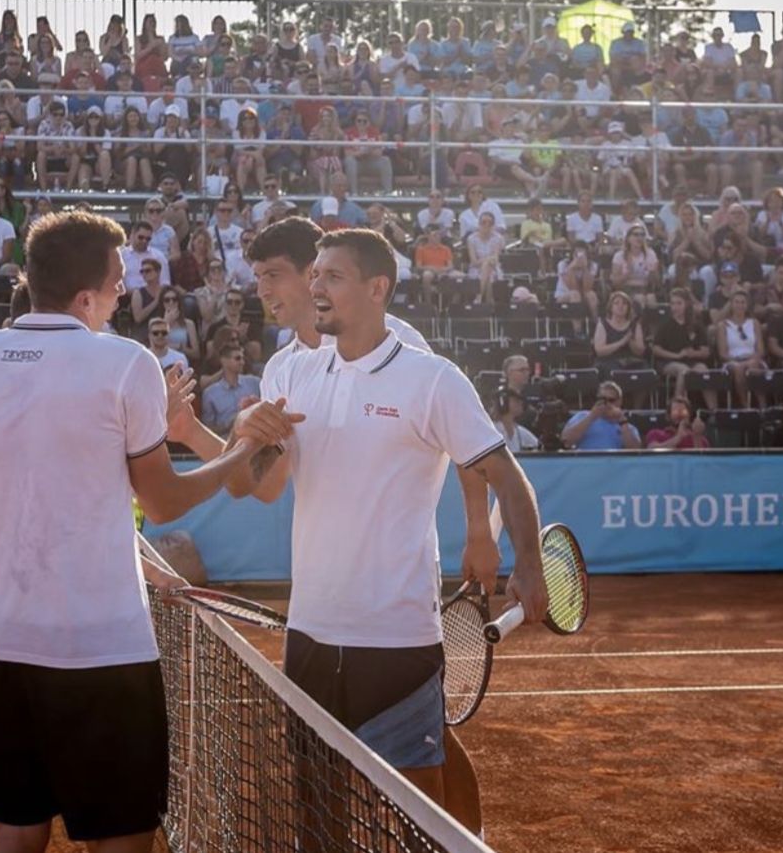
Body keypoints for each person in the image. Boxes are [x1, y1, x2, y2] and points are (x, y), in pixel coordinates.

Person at [0, 210, 273, 853]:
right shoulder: (127, 364)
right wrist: (241, 451)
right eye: (117, 279)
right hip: (110, 658)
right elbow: (162, 502)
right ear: (85, 295)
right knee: (120, 840)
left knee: (19, 832)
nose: (123, 289)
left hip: (9, 650)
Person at [224, 227, 547, 834]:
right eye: (314, 275)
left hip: (397, 638)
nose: (317, 287)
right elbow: (250, 484)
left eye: (332, 276)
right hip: (310, 634)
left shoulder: (431, 377)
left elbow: (507, 477)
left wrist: (525, 562)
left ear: (377, 288)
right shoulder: (292, 375)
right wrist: (245, 437)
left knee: (418, 821)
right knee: (318, 817)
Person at [717, 290, 768, 408]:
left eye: (743, 302)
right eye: (737, 302)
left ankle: (763, 405)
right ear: (731, 304)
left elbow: (761, 350)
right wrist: (738, 359)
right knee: (739, 368)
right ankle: (745, 405)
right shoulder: (723, 325)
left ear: (747, 305)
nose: (740, 305)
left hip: (752, 358)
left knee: (753, 365)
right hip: (732, 360)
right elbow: (722, 354)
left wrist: (751, 358)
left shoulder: (754, 323)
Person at [560, 381, 642, 451]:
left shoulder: (627, 426)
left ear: (619, 401)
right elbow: (566, 441)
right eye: (602, 399)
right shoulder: (582, 416)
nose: (607, 404)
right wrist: (592, 416)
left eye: (611, 400)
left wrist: (622, 422)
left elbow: (635, 451)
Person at [200, 343, 259, 435]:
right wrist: (227, 425)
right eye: (237, 358)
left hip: (253, 436)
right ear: (224, 361)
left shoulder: (254, 382)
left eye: (243, 358)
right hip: (225, 439)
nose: (242, 362)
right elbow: (207, 429)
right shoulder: (210, 393)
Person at [645, 397, 710, 450]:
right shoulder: (655, 434)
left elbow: (702, 460)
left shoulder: (699, 438)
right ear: (668, 416)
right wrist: (679, 437)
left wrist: (697, 437)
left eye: (683, 411)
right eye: (675, 411)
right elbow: (652, 450)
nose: (680, 415)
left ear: (689, 416)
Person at [492, 387, 539, 453]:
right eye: (515, 400)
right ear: (503, 403)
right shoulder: (492, 430)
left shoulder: (521, 431)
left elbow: (539, 446)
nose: (520, 403)